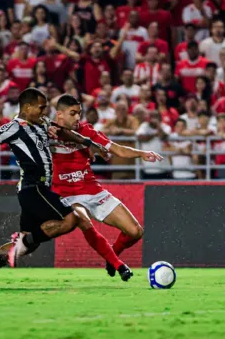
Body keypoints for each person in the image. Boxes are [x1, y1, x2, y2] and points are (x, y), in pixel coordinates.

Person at [0, 88, 126, 287]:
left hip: (38, 189)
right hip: (33, 187)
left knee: (29, 244)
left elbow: (65, 132)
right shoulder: (14, 127)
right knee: (71, 219)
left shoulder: (42, 123)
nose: (44, 112)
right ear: (27, 107)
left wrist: (88, 143)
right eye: (41, 108)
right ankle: (21, 242)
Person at [53, 94, 163, 276]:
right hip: (65, 195)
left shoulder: (86, 131)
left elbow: (117, 149)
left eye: (79, 113)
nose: (77, 118)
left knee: (135, 231)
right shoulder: (47, 133)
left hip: (92, 190)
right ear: (59, 114)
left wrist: (142, 153)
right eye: (72, 113)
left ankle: (111, 257)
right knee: (83, 219)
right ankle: (118, 264)